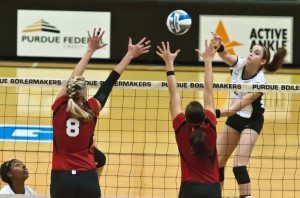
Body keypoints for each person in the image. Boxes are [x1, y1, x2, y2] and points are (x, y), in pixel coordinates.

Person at [50, 28, 151, 198]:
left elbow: (74, 76)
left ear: (68, 90)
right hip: (87, 178)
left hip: (61, 178)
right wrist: (129, 55)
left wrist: (89, 50)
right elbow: (110, 81)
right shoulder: (92, 108)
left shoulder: (58, 107)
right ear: (84, 93)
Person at [211, 33, 287, 198]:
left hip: (251, 121)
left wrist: (213, 114)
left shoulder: (260, 83)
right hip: (235, 118)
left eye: (257, 53)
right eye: (252, 50)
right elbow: (225, 55)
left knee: (239, 165)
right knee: (217, 162)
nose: (251, 53)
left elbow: (234, 108)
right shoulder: (240, 63)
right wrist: (220, 45)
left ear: (263, 62)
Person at [156, 40, 221, 198]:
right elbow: (208, 90)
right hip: (212, 190)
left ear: (185, 117)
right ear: (205, 116)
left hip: (189, 190)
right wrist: (208, 61)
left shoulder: (181, 128)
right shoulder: (210, 127)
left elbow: (174, 93)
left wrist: (169, 63)